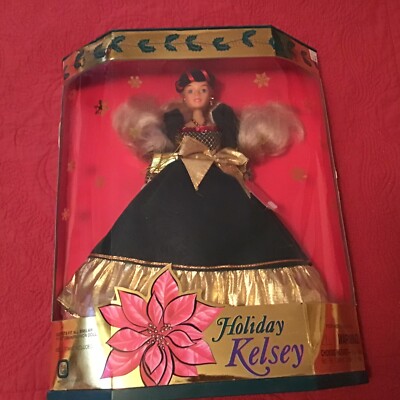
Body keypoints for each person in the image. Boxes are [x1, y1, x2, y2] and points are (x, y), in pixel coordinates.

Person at [58, 69, 327, 318]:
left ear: (211, 94)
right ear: (183, 96)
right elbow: (165, 154)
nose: (197, 95)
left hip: (221, 186)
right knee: (153, 234)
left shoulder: (222, 122)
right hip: (177, 185)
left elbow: (233, 151)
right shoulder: (175, 124)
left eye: (202, 89)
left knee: (246, 234)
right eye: (191, 91)